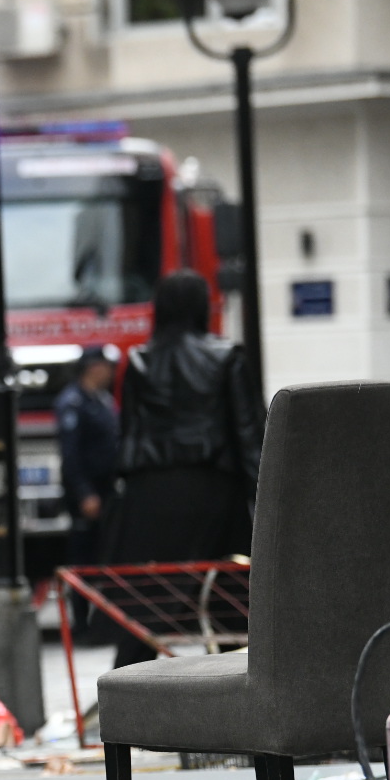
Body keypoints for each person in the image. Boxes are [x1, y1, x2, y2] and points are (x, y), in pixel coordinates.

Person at [103, 269, 264, 667]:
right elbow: (249, 436)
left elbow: (129, 434)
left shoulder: (138, 361)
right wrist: (263, 499)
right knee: (230, 600)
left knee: (148, 606)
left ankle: (125, 700)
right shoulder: (227, 357)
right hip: (213, 492)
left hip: (151, 496)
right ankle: (239, 693)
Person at [55, 346, 119, 635]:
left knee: (104, 556)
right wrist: (84, 493)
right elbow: (71, 457)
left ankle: (101, 620)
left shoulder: (102, 400)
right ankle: (81, 624)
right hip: (88, 494)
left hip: (106, 491)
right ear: (95, 367)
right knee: (82, 558)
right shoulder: (73, 403)